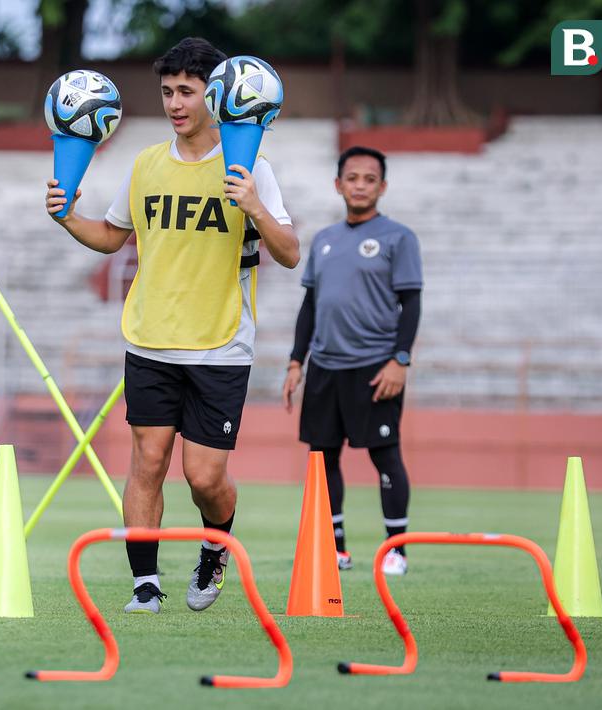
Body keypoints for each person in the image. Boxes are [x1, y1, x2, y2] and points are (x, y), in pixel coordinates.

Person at [45, 38, 299, 614]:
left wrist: (255, 205)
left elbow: (289, 252)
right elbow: (111, 237)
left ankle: (214, 551)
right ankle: (145, 585)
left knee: (204, 478)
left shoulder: (252, 166)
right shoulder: (145, 164)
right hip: (149, 336)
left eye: (188, 91)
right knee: (147, 462)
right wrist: (66, 217)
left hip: (220, 342)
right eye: (167, 92)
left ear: (217, 94)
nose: (175, 103)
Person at [283, 146, 421, 576]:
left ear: (382, 186)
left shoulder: (399, 238)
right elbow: (309, 306)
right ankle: (336, 548)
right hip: (325, 367)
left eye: (369, 178)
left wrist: (400, 360)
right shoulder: (323, 240)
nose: (360, 185)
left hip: (374, 367)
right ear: (338, 184)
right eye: (352, 177)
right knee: (322, 458)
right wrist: (295, 362)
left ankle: (396, 549)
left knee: (385, 455)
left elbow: (411, 304)